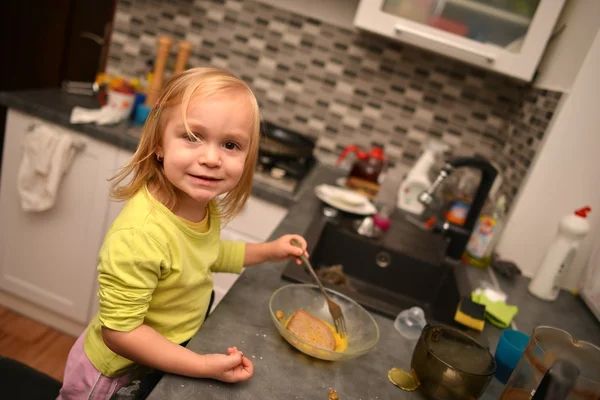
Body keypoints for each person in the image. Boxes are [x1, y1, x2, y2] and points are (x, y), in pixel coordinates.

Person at [58, 67, 308, 399]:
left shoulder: (201, 206)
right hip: (112, 377)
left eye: (230, 144)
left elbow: (205, 254)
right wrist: (202, 364)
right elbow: (120, 333)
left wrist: (270, 250)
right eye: (192, 137)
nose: (211, 158)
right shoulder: (141, 235)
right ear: (159, 145)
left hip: (163, 359)